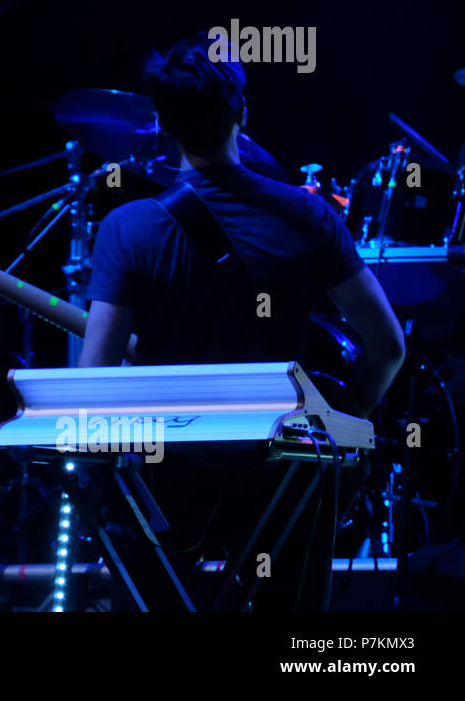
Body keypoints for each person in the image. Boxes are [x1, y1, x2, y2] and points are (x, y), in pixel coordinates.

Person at [79, 33, 405, 610]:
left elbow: (95, 381)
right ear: (243, 114)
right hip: (284, 477)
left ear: (162, 124)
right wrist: (340, 427)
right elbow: (387, 347)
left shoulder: (127, 228)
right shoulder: (307, 215)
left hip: (170, 478)